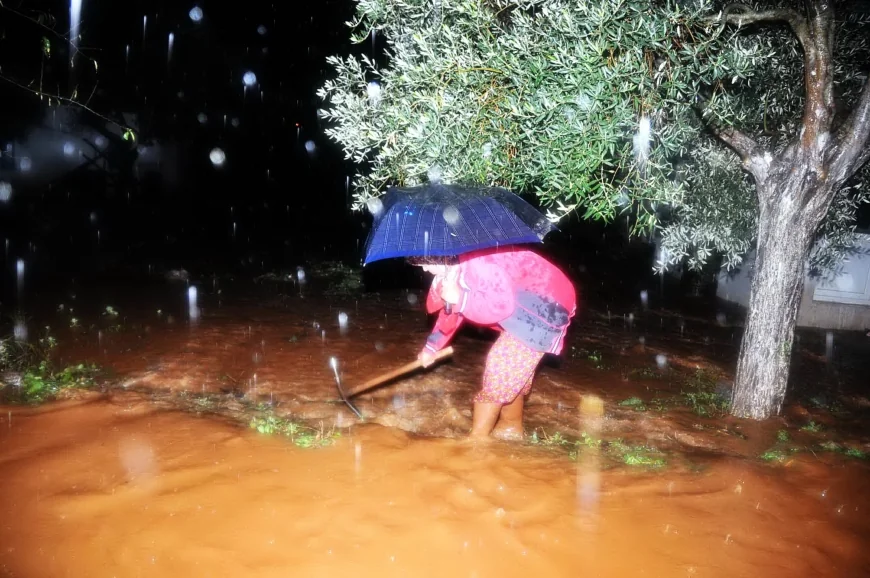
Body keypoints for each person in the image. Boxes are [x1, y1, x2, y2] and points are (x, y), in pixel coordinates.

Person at [411, 247, 577, 440]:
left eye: (425, 263)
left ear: (440, 256)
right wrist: (431, 348)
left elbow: (499, 308)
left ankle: (475, 443)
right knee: (511, 375)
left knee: (500, 367)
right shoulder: (452, 270)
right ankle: (510, 430)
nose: (424, 269)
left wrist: (460, 299)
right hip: (524, 305)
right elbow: (451, 313)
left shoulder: (481, 263)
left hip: (547, 306)